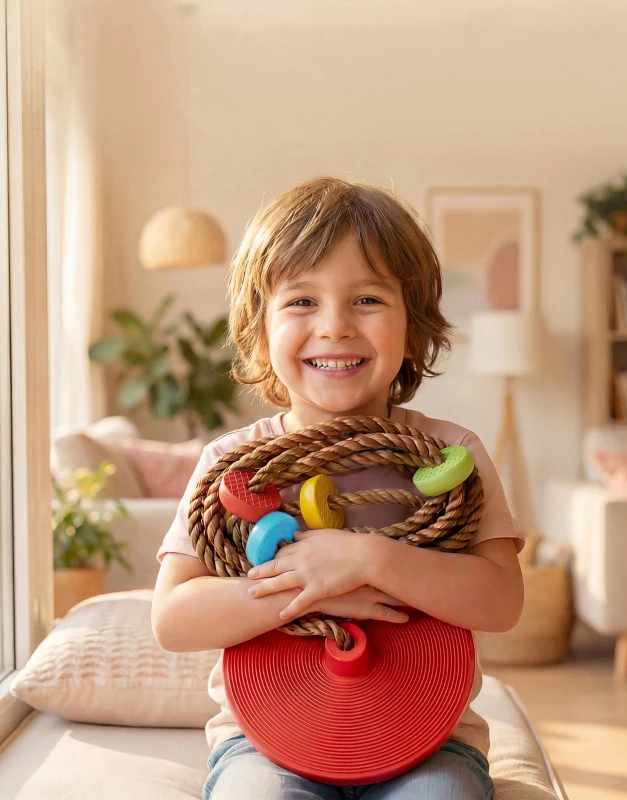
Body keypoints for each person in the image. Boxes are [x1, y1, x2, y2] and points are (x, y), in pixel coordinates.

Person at [151, 177, 525, 800]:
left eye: (368, 299)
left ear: (413, 327)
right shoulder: (231, 465)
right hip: (266, 740)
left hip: (430, 737)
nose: (335, 327)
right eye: (301, 301)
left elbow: (502, 602)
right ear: (260, 329)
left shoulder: (451, 456)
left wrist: (369, 559)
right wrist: (311, 588)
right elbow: (173, 619)